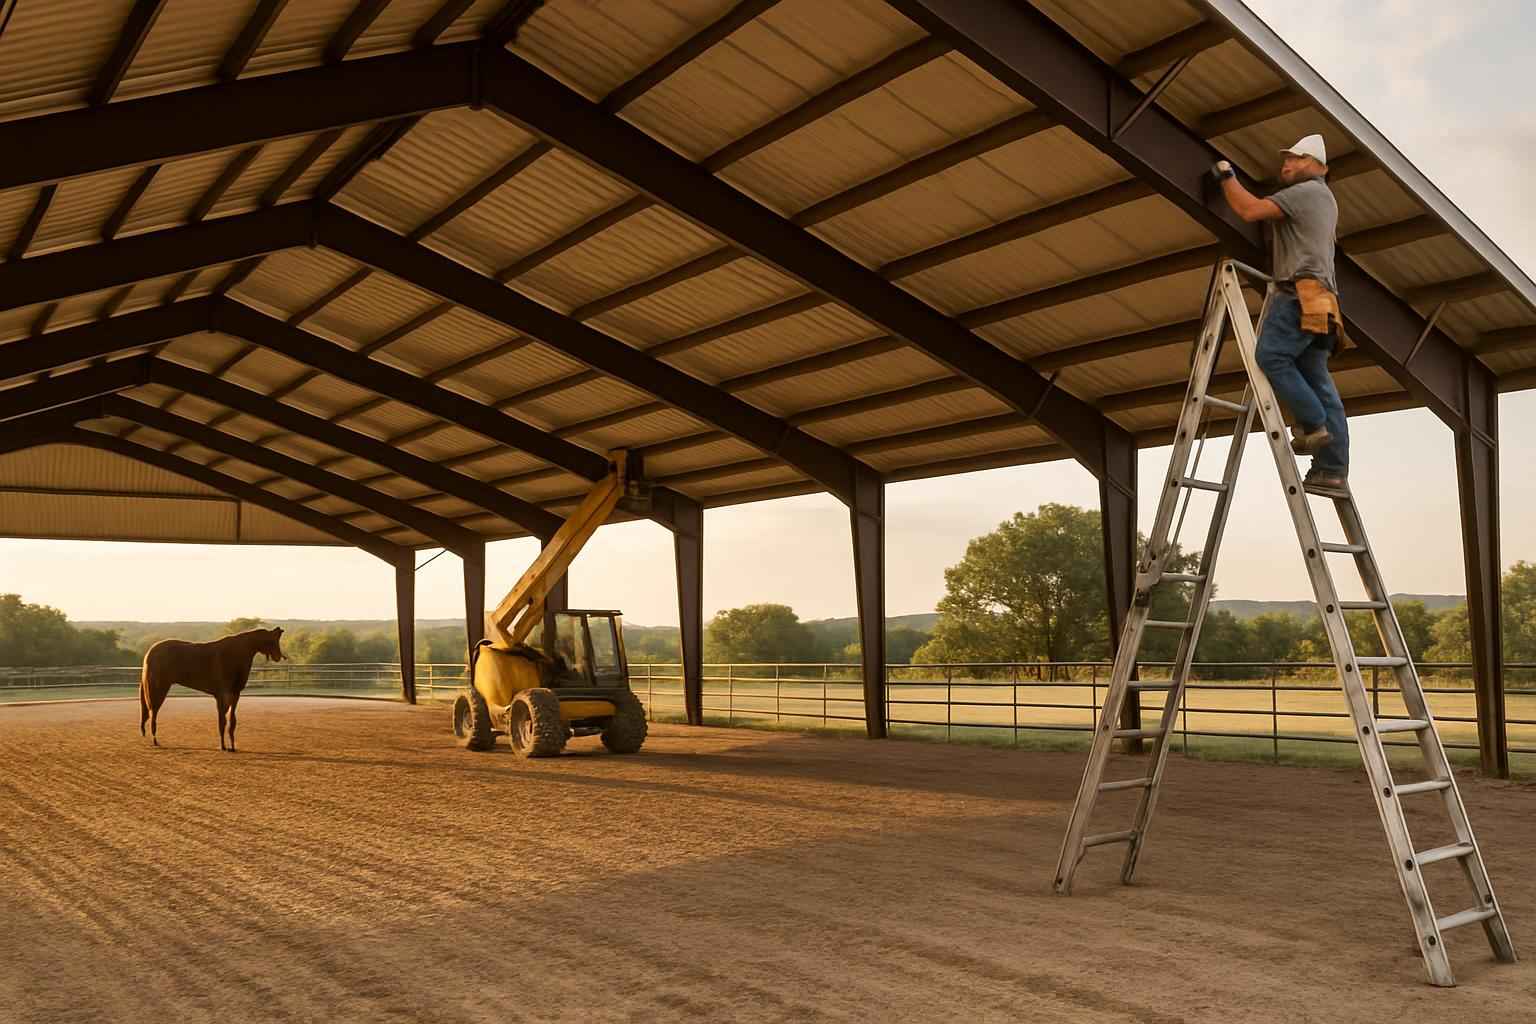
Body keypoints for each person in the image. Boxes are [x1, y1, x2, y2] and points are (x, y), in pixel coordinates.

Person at [1212, 134, 1348, 491]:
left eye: (1297, 159)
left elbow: (1250, 210)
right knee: (1319, 380)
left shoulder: (1308, 192)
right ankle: (1331, 470)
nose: (1287, 165)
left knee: (1271, 356)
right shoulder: (1324, 200)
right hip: (1322, 298)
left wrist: (1226, 175)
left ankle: (1313, 425)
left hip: (1299, 293)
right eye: (1286, 159)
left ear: (1320, 166)